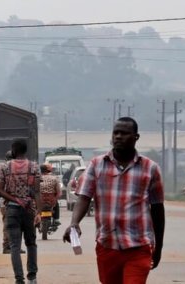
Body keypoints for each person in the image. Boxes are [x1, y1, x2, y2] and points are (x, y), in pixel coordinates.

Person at [63, 117, 165, 284]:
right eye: (115, 133)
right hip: (107, 246)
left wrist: (158, 247)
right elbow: (84, 197)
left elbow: (158, 209)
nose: (118, 136)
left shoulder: (150, 169)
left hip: (138, 247)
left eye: (124, 133)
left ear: (136, 137)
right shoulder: (96, 165)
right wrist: (74, 222)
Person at [0, 139, 40, 284]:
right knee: (31, 244)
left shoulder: (5, 167)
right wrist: (38, 212)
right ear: (25, 150)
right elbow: (37, 192)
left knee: (15, 246)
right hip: (29, 210)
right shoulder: (34, 167)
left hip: (12, 210)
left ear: (14, 151)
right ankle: (32, 277)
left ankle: (19, 279)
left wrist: (15, 199)